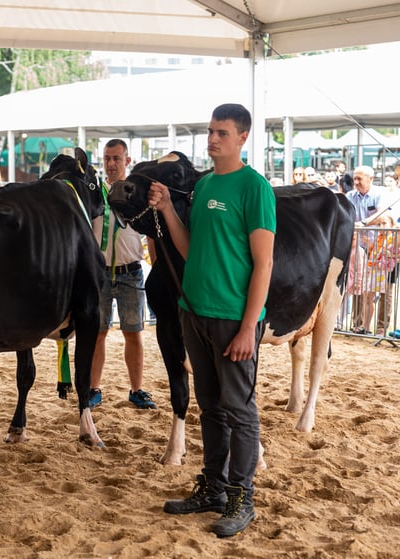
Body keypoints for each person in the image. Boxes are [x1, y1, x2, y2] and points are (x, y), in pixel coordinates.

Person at [150, 103, 275, 538]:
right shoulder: (202, 186)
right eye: (210, 131)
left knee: (239, 408)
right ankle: (214, 487)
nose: (213, 138)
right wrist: (167, 208)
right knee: (210, 406)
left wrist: (248, 326)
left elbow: (264, 263)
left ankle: (243, 496)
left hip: (231, 317)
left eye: (222, 132)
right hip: (194, 312)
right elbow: (189, 249)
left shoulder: (254, 188)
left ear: (242, 137)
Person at [87, 139, 155, 410]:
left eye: (116, 158)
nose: (111, 164)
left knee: (133, 333)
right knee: (97, 333)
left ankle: (137, 390)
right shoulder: (94, 194)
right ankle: (93, 389)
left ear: (128, 160)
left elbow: (152, 231)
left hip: (131, 273)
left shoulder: (138, 193)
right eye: (107, 158)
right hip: (99, 274)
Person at [345, 166, 385, 332]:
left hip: (378, 248)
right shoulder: (350, 196)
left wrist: (362, 224)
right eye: (355, 178)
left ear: (371, 179)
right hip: (356, 246)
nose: (356, 182)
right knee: (357, 285)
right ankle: (358, 324)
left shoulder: (379, 194)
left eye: (359, 179)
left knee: (382, 289)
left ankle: (381, 328)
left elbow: (381, 215)